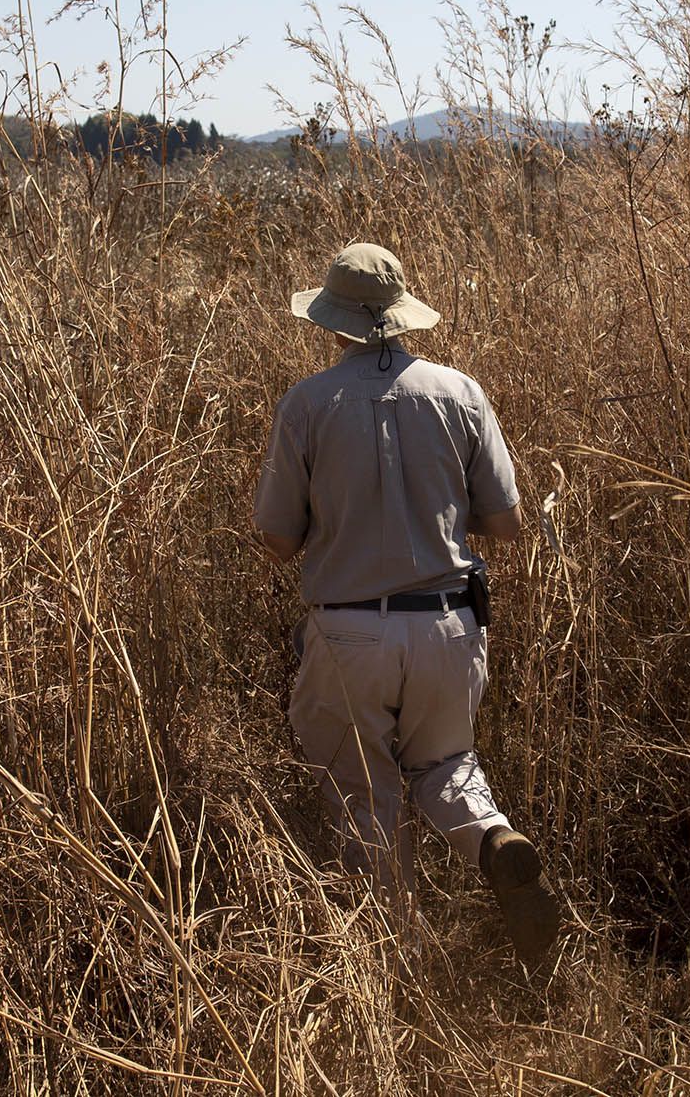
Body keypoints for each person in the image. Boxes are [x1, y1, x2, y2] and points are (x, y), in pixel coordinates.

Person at [253, 241, 560, 968]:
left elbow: (277, 541)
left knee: (364, 795)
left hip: (349, 633)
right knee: (446, 763)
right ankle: (492, 837)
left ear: (332, 321)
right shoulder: (460, 393)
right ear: (400, 314)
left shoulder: (306, 404)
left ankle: (394, 964)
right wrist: (440, 514)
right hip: (449, 623)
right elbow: (508, 524)